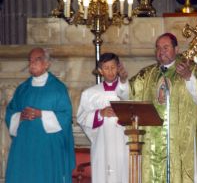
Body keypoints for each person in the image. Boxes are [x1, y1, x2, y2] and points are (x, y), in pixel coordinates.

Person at [129, 33, 197, 183]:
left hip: (178, 138)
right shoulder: (147, 74)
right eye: (158, 48)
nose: (161, 51)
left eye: (166, 47)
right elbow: (129, 91)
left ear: (176, 48)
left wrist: (188, 78)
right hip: (152, 141)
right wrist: (121, 80)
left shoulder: (189, 68)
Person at [5, 47, 75, 183]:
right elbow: (10, 112)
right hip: (24, 147)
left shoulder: (58, 88)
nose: (32, 63)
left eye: (37, 60)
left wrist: (41, 114)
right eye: (30, 60)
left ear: (47, 64)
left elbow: (65, 116)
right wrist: (19, 116)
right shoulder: (22, 89)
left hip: (47, 148)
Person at [77, 53, 129, 183]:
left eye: (113, 67)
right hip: (102, 145)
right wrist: (100, 114)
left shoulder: (128, 88)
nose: (110, 71)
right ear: (100, 70)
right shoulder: (90, 94)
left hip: (123, 145)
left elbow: (131, 101)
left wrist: (123, 81)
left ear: (118, 67)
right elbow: (82, 118)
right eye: (106, 68)